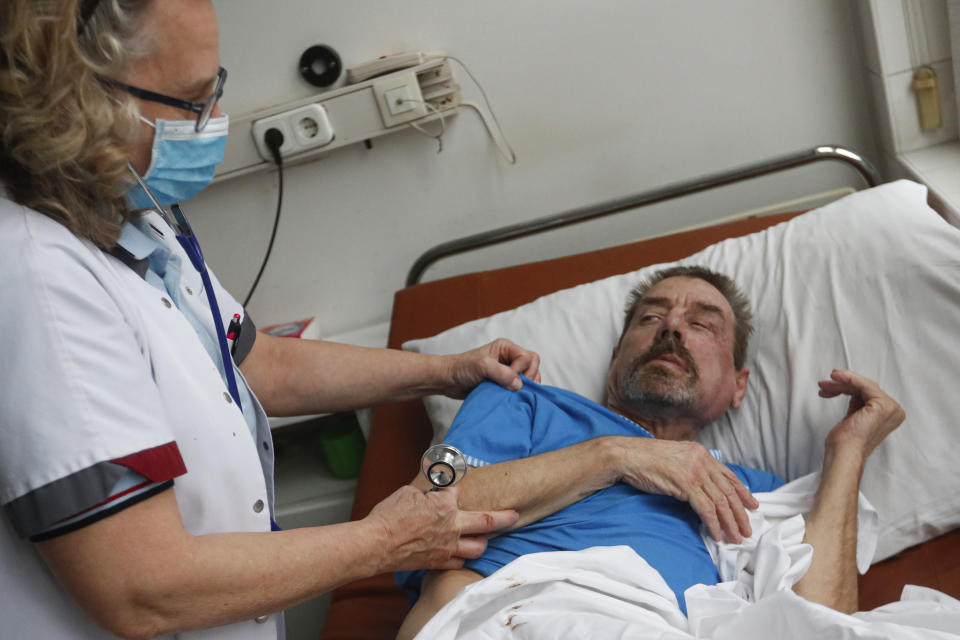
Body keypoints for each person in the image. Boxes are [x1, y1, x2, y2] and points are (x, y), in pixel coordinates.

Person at [0, 1, 541, 639]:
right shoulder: (31, 275)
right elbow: (143, 588)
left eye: (216, 90)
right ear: (75, 101)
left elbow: (262, 364)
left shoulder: (131, 213)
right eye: (193, 101)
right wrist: (386, 541)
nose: (216, 122)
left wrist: (447, 370)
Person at [396, 265, 905, 639]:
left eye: (702, 324)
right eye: (650, 318)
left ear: (738, 386)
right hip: (503, 614)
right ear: (616, 359)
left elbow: (821, 624)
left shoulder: (755, 493)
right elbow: (419, 515)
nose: (672, 328)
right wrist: (615, 455)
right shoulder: (520, 399)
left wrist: (848, 453)